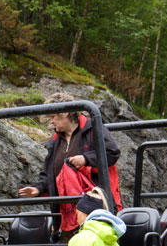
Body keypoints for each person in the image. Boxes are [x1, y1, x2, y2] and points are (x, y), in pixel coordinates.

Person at [18, 92, 121, 238]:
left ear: (65, 113)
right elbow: (50, 174)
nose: (51, 122)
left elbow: (112, 152)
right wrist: (38, 189)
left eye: (53, 117)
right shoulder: (55, 140)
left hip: (94, 209)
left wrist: (86, 159)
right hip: (66, 214)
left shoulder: (93, 128)